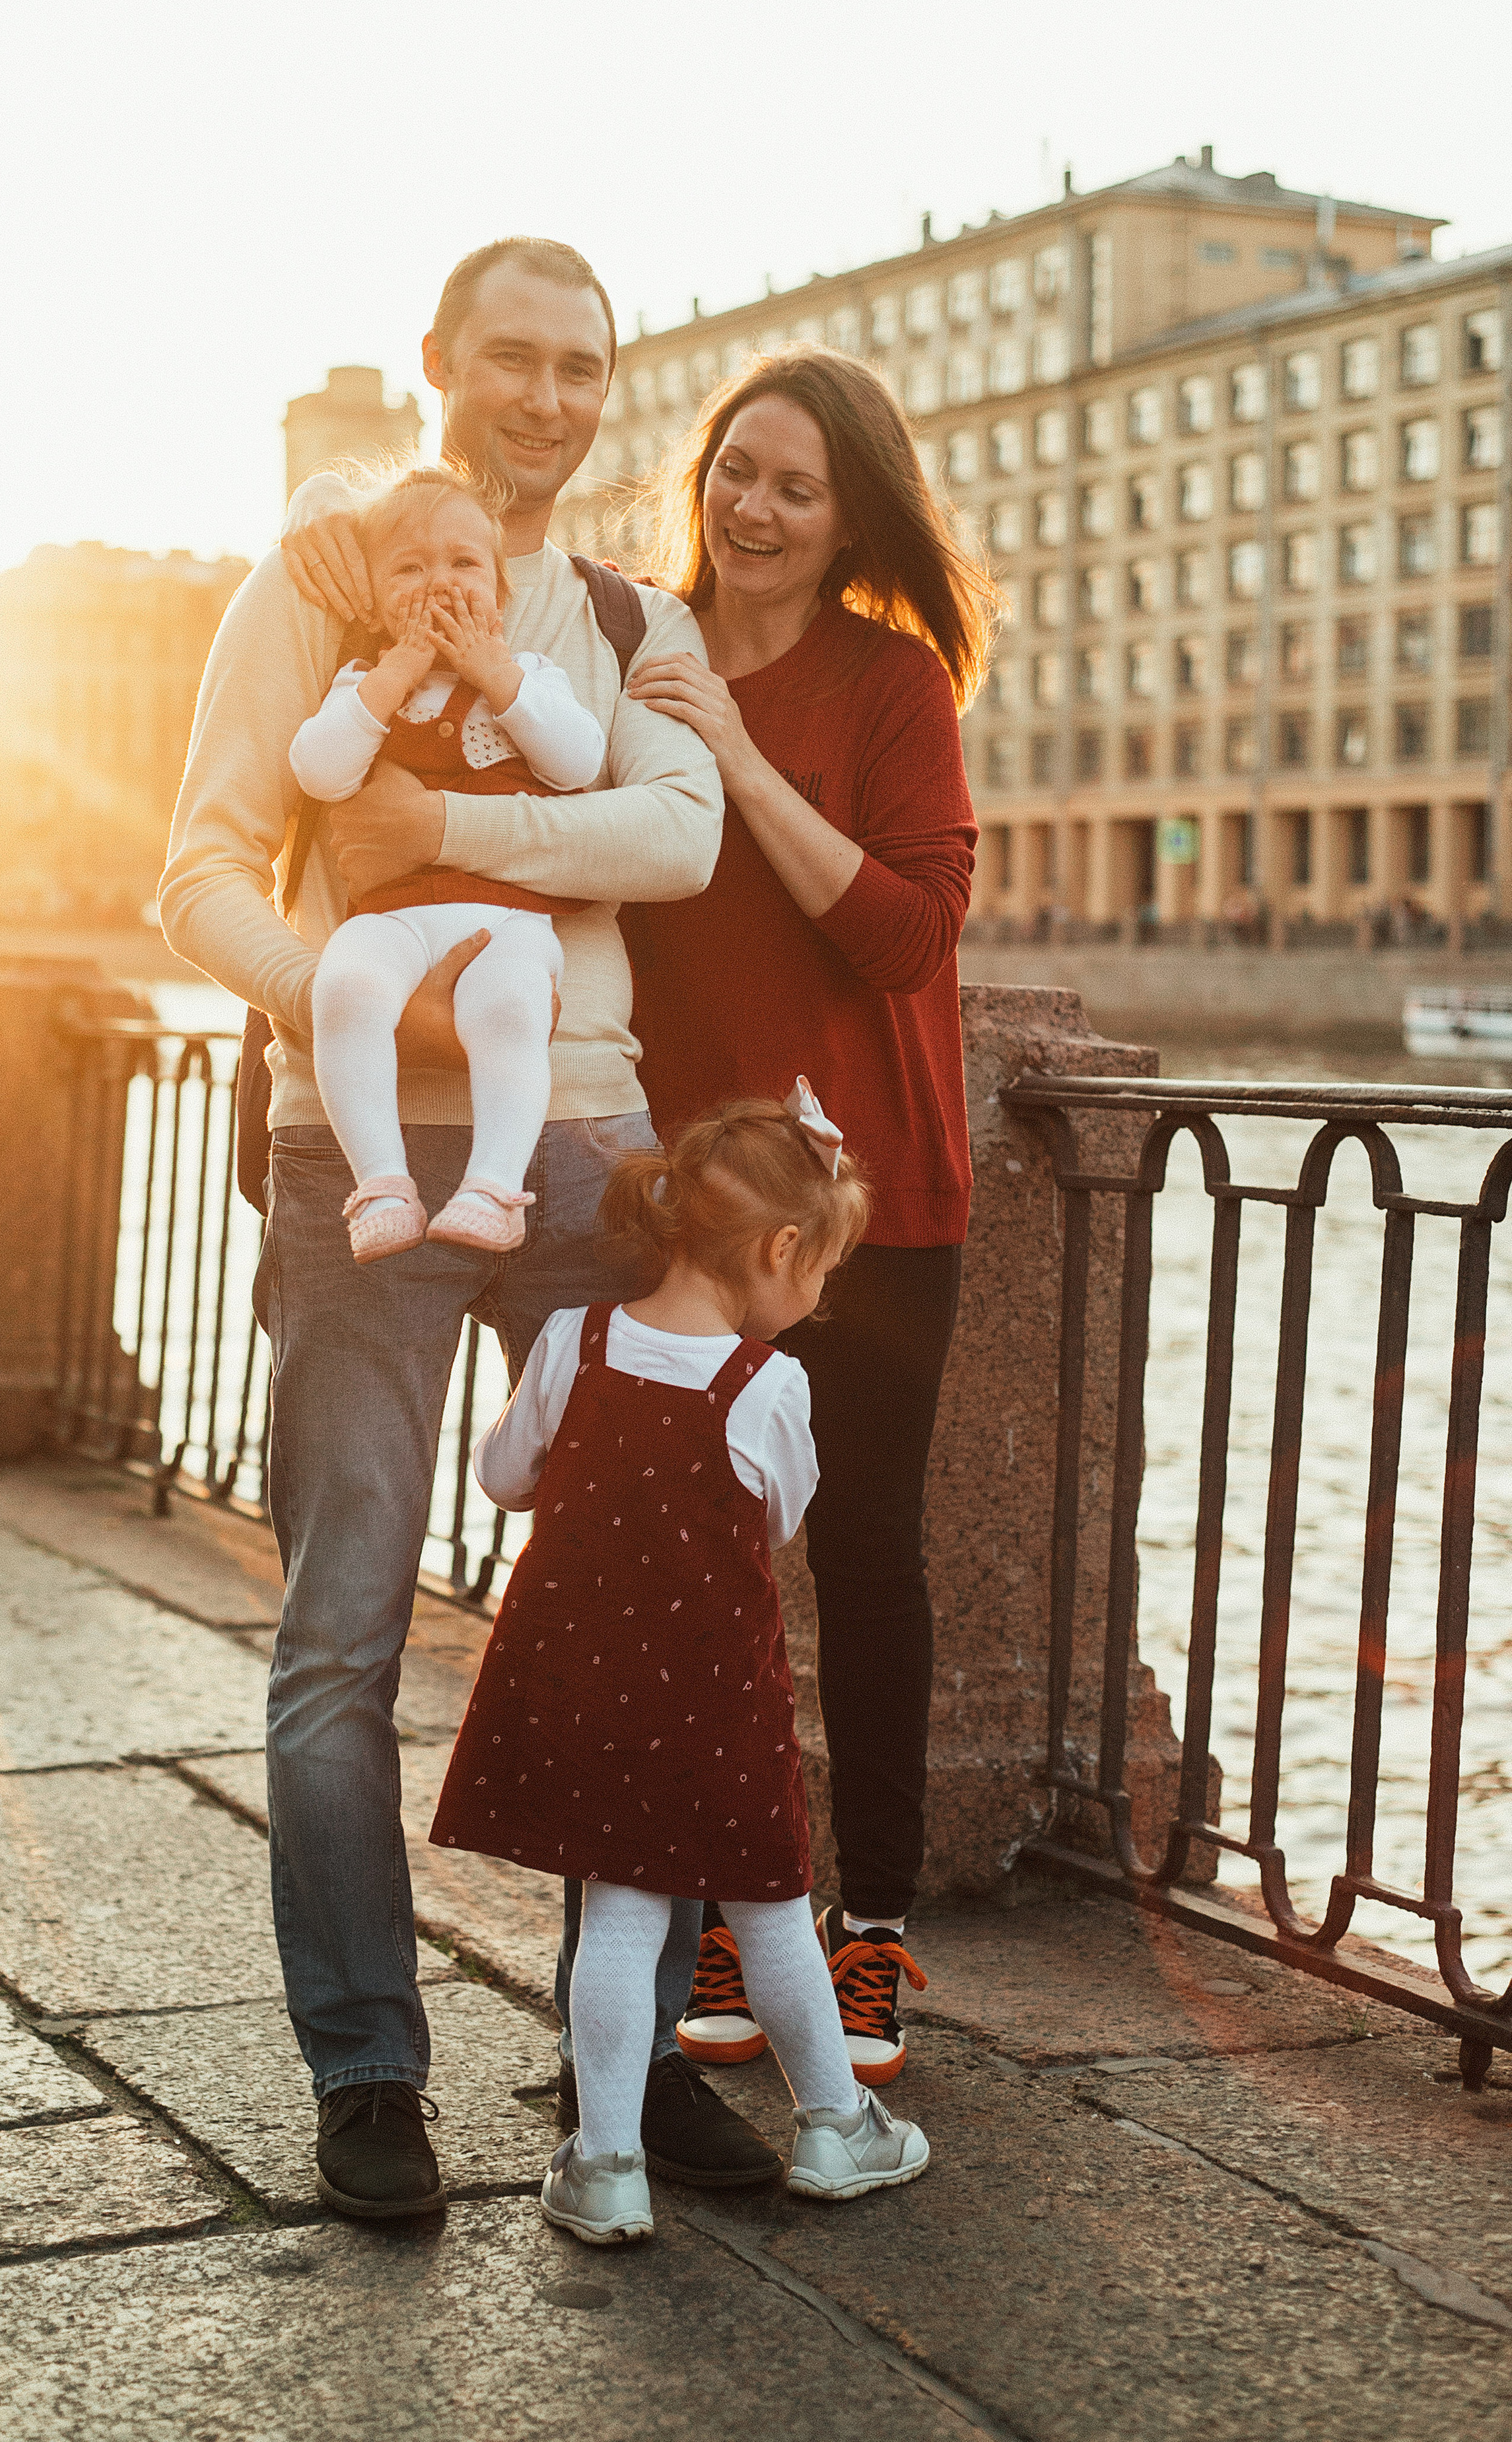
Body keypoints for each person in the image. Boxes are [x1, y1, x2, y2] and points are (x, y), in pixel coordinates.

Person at [160, 238, 781, 2221]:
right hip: (357, 1152)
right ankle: (367, 2071)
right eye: (510, 358)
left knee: (659, 1596)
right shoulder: (316, 586)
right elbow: (194, 874)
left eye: (581, 367)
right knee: (344, 1620)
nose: (546, 396)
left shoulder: (619, 612)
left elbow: (673, 839)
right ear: (439, 366)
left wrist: (432, 847)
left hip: (589, 1150)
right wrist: (355, 998)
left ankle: (630, 2048)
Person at [619, 346, 997, 2087]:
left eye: (796, 486)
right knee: (699, 1570)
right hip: (698, 1199)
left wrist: (745, 763)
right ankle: (715, 1904)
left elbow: (912, 934)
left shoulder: (890, 681)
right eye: (735, 472)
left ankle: (870, 1934)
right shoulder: (634, 651)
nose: (752, 509)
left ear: (848, 517)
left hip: (879, 1193)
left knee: (864, 1555)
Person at [433, 1098, 930, 2245]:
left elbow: (504, 1476)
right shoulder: (768, 1387)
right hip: (714, 1700)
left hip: (585, 1684)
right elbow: (778, 1524)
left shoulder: (576, 1339)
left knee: (618, 1913)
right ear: (779, 1253)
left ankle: (606, 2165)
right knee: (769, 1909)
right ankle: (836, 2127)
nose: (821, 1299)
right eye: (827, 1270)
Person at [289, 464, 604, 1261]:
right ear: (375, 595)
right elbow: (320, 771)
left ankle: (495, 1187)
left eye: (464, 564)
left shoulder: (531, 678)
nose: (439, 582)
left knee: (511, 1008)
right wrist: (393, 674)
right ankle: (382, 1185)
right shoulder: (362, 684)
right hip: (389, 918)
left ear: (499, 592)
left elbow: (576, 762)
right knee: (345, 986)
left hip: (507, 922)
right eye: (409, 566)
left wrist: (496, 674)